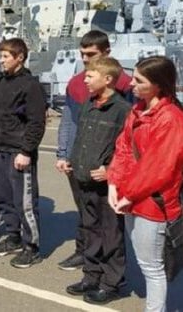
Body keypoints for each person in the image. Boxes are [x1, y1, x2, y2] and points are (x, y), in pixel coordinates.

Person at [108, 56, 183, 312]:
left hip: (153, 202)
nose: (131, 84)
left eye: (139, 80)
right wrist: (114, 183)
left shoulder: (171, 118)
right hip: (133, 196)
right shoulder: (138, 110)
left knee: (152, 267)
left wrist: (127, 194)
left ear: (158, 84)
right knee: (145, 262)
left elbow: (159, 167)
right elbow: (123, 148)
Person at [55, 30, 132, 271]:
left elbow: (131, 132)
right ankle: (85, 254)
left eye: (91, 54)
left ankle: (110, 270)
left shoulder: (125, 85)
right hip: (79, 158)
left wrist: (114, 167)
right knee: (85, 211)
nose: (85, 59)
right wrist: (63, 153)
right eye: (82, 54)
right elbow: (68, 120)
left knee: (109, 220)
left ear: (107, 52)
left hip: (107, 163)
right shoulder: (77, 84)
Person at [64, 57, 130, 305]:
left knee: (111, 235)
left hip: (107, 186)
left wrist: (111, 170)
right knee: (90, 231)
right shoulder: (88, 105)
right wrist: (71, 160)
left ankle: (112, 283)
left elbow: (129, 150)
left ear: (108, 79)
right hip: (84, 180)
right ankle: (91, 276)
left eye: (90, 76)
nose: (85, 80)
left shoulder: (123, 110)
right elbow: (81, 138)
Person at [0, 38, 46, 269]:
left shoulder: (30, 85)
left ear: (19, 57)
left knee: (25, 202)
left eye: (5, 56)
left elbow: (36, 122)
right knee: (4, 198)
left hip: (19, 152)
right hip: (0, 147)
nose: (1, 60)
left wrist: (26, 150)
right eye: (0, 56)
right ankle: (12, 237)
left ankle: (31, 247)